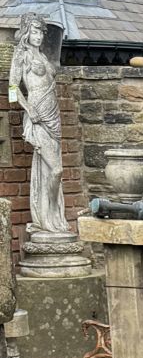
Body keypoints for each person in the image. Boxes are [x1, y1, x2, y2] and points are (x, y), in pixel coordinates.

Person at [10, 14, 69, 235]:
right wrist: (28, 109)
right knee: (56, 169)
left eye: (40, 32)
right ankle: (49, 214)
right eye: (34, 32)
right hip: (38, 115)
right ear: (26, 32)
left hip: (53, 115)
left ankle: (52, 217)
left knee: (51, 169)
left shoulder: (43, 55)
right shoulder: (21, 55)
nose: (38, 37)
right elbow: (13, 88)